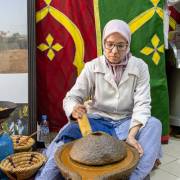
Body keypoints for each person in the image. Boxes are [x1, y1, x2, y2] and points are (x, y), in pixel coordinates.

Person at [35, 19, 162, 180]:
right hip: (97, 121)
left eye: (120, 45)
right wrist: (74, 109)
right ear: (104, 43)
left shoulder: (140, 67)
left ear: (128, 45)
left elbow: (142, 104)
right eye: (109, 44)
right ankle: (45, 177)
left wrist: (131, 135)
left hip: (126, 122)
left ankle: (134, 177)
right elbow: (72, 97)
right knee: (65, 137)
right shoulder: (92, 67)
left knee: (154, 125)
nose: (114, 51)